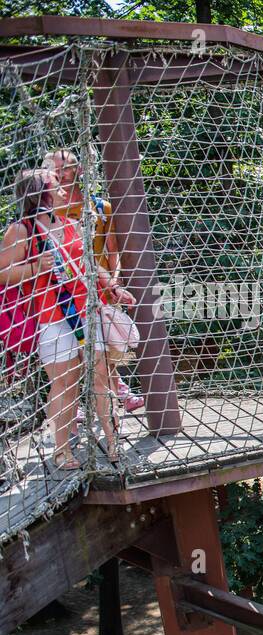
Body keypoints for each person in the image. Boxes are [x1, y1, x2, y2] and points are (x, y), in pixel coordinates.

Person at [0, 169, 131, 468]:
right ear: (41, 193)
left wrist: (112, 286)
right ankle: (62, 451)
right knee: (65, 384)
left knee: (100, 377)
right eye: (56, 185)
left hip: (86, 311)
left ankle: (114, 443)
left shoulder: (71, 224)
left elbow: (87, 264)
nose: (63, 190)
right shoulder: (21, 231)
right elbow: (2, 272)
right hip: (53, 317)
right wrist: (35, 269)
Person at [44, 149, 144, 414]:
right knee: (73, 349)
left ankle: (117, 393)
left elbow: (113, 251)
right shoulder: (48, 211)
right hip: (63, 292)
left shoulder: (99, 207)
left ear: (78, 170)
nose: (58, 173)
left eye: (63, 167)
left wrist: (114, 281)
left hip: (99, 289)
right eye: (52, 168)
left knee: (105, 346)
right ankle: (80, 406)